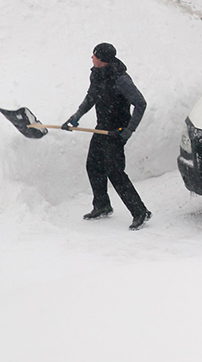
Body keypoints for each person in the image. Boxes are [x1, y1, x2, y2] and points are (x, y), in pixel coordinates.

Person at [63, 42, 152, 230]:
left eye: (94, 55)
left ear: (102, 59)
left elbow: (140, 103)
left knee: (115, 172)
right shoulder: (96, 74)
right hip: (101, 127)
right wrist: (76, 116)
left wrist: (128, 131)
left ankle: (140, 212)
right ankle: (102, 205)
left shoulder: (121, 80)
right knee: (93, 166)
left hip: (116, 132)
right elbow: (91, 97)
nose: (92, 58)